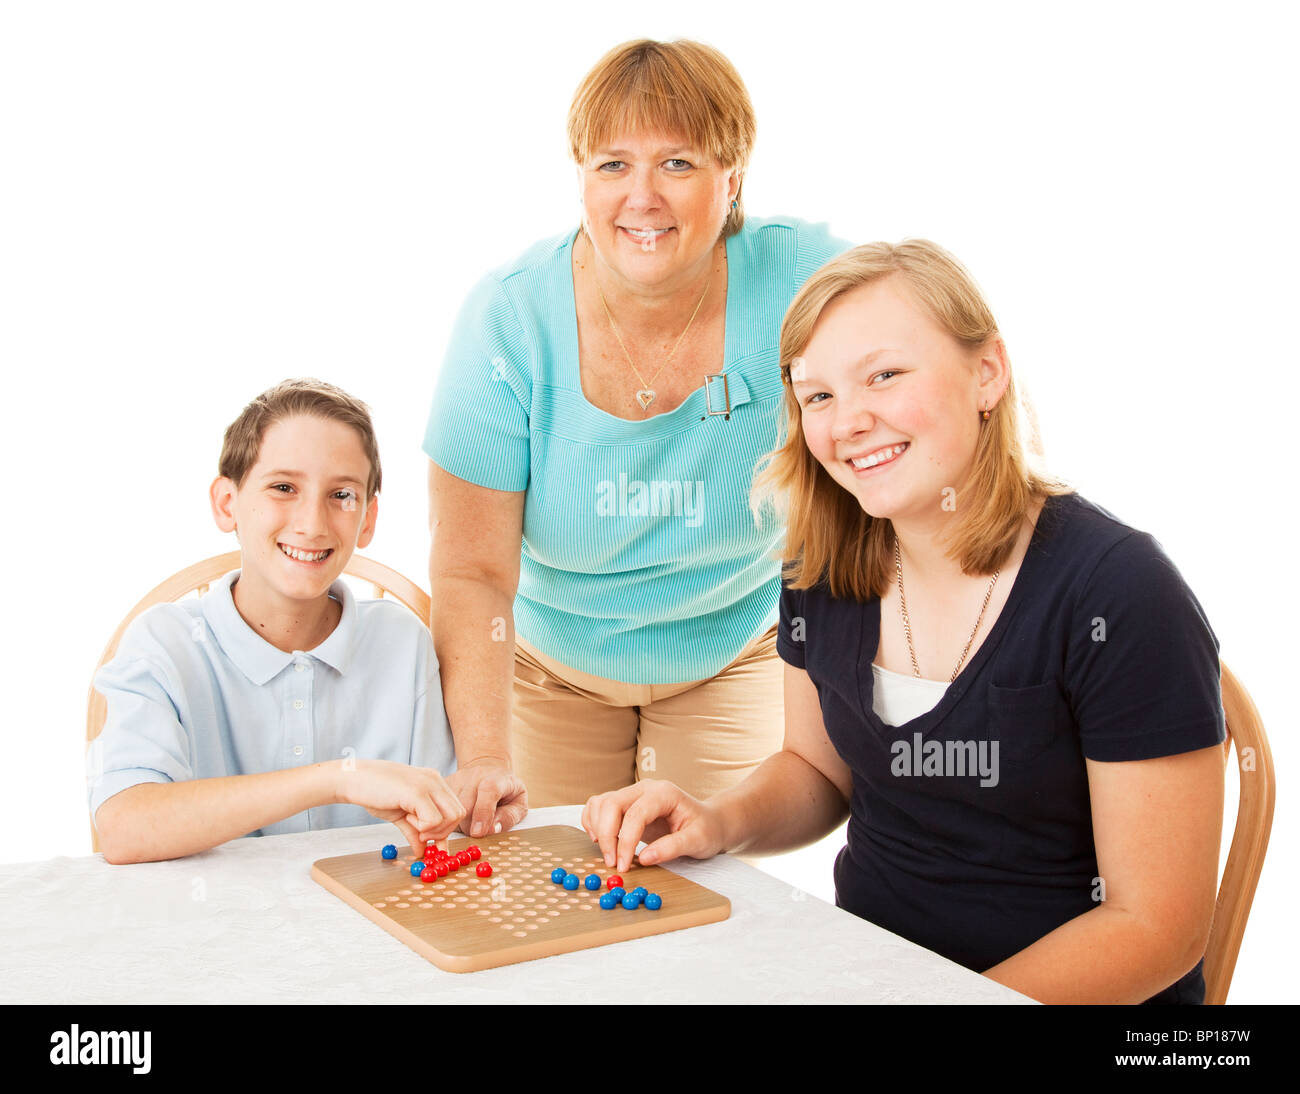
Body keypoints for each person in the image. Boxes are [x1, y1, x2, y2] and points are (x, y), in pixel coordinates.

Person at [581, 241, 1226, 1004]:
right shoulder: (818, 568)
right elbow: (818, 773)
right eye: (815, 396)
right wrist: (717, 820)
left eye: (884, 375)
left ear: (987, 372)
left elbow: (1156, 928)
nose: (848, 421)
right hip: (868, 976)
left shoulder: (1121, 594)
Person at [425, 39, 851, 836]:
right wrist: (483, 754)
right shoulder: (508, 318)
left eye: (679, 164)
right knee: (556, 902)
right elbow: (472, 571)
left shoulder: (806, 281)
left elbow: (925, 359)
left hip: (730, 650)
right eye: (612, 165)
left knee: (692, 891)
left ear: (734, 178)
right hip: (552, 665)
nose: (642, 197)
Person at [90, 379, 464, 863]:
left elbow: (443, 823)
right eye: (283, 488)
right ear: (228, 504)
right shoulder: (163, 644)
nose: (312, 523)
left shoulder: (403, 644)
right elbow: (123, 828)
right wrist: (334, 779)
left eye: (342, 495)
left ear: (368, 519)